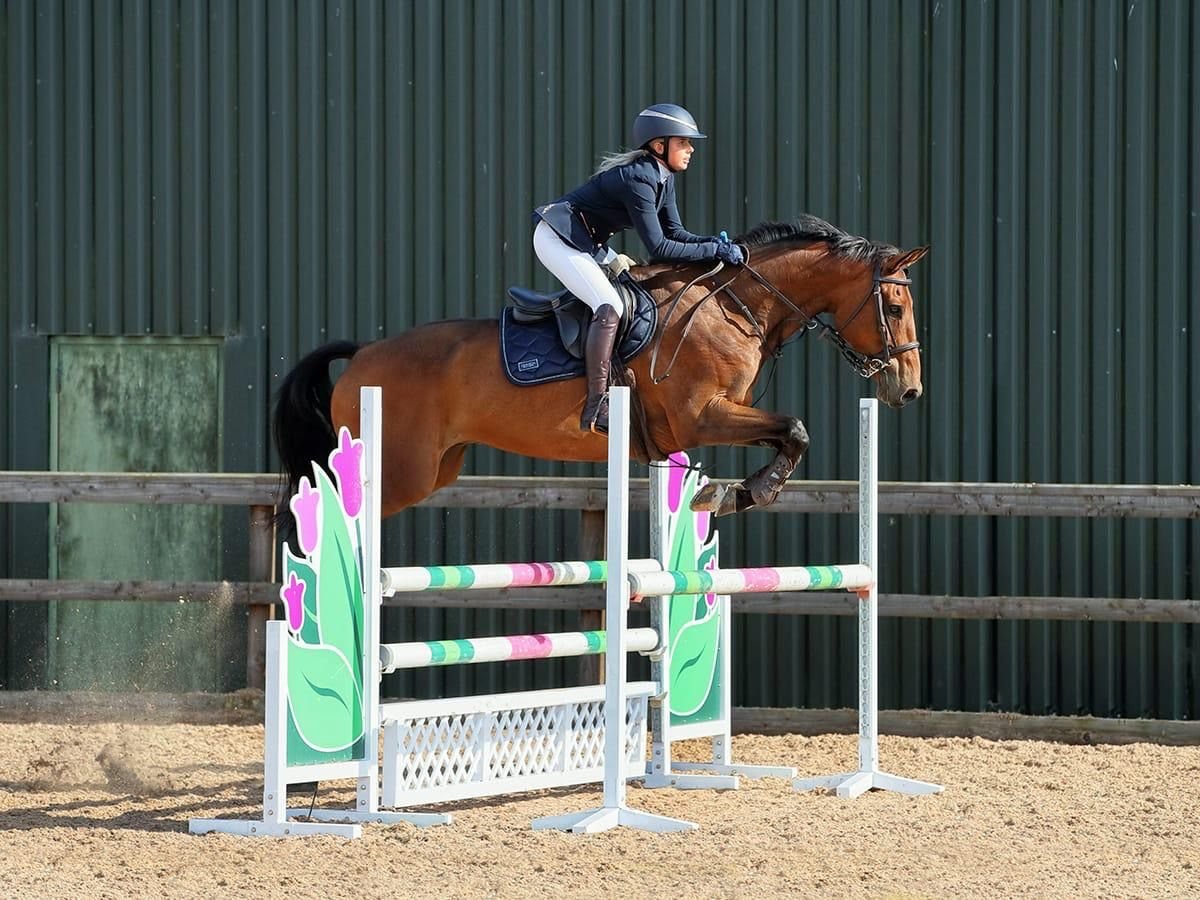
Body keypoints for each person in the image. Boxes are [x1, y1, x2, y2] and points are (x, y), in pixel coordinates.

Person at [531, 103, 744, 434]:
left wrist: (715, 244)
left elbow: (677, 235)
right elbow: (659, 248)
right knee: (610, 306)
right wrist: (713, 249)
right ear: (660, 146)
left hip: (588, 241)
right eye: (684, 142)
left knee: (628, 291)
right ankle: (596, 406)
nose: (690, 150)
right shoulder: (640, 178)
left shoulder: (663, 177)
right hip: (557, 237)